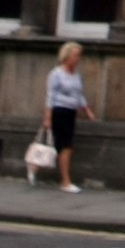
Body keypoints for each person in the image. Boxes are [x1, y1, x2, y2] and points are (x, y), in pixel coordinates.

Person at [43, 41, 94, 195]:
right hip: (59, 111)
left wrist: (87, 110)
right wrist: (47, 116)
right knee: (66, 146)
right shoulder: (56, 74)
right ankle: (65, 181)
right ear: (67, 56)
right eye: (76, 55)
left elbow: (79, 95)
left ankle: (36, 167)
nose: (78, 58)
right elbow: (50, 95)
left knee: (63, 145)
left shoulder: (76, 75)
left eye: (79, 55)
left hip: (71, 112)